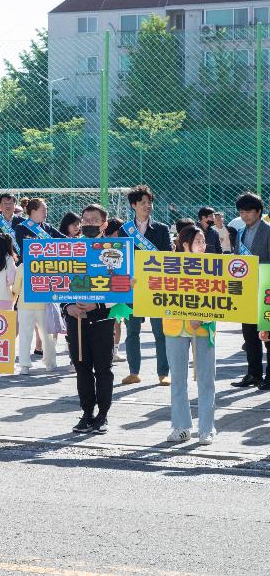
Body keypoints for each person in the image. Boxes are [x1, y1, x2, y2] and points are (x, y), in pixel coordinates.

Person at [164, 226, 218, 444]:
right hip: (175, 328)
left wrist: (204, 317)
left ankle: (206, 428)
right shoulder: (167, 266)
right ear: (185, 244)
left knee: (206, 380)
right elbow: (156, 295)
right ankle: (181, 427)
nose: (203, 246)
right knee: (178, 379)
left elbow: (222, 299)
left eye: (204, 241)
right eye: (198, 241)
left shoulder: (214, 266)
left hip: (204, 329)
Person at [66, 208, 117, 435]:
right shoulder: (69, 249)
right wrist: (68, 306)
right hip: (75, 319)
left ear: (104, 224)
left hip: (102, 319)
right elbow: (55, 282)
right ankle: (87, 412)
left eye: (94, 220)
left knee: (103, 369)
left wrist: (98, 305)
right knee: (81, 367)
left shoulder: (116, 250)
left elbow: (123, 287)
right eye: (85, 220)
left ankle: (103, 415)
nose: (88, 224)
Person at [120, 185, 172, 387]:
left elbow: (167, 255)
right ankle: (134, 372)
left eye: (149, 202)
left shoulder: (161, 229)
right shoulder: (125, 230)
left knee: (160, 331)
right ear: (133, 205)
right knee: (132, 331)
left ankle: (163, 373)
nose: (147, 206)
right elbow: (120, 258)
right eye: (142, 202)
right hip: (132, 287)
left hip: (155, 286)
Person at [13, 197, 63, 371]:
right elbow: (24, 248)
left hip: (48, 283)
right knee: (26, 329)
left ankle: (50, 361)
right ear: (33, 211)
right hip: (29, 282)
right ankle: (25, 364)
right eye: (43, 209)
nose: (46, 212)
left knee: (49, 328)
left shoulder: (47, 228)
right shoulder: (21, 228)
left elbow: (64, 240)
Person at [233, 192, 270, 389]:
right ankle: (253, 374)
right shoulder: (241, 233)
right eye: (241, 212)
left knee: (268, 334)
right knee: (249, 334)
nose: (244, 215)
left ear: (258, 211)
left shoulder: (268, 230)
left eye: (248, 211)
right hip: (246, 291)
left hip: (265, 290)